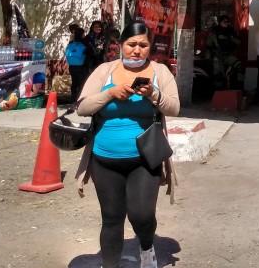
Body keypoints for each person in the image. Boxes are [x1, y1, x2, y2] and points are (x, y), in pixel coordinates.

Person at [75, 21, 180, 268]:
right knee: (111, 218)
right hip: (104, 159)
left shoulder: (160, 71)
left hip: (145, 159)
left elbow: (174, 107)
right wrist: (109, 94)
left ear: (149, 47)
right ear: (120, 45)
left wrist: (153, 94)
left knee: (142, 215)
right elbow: (82, 107)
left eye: (143, 45)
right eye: (131, 44)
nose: (137, 50)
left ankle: (147, 249)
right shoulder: (105, 71)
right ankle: (110, 264)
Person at [207, 15, 241, 89]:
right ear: (220, 22)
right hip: (217, 55)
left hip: (228, 54)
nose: (226, 23)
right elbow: (209, 45)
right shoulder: (215, 31)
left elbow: (238, 41)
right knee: (218, 75)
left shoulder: (231, 31)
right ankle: (218, 91)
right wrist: (213, 52)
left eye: (228, 22)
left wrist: (230, 38)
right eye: (224, 22)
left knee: (239, 66)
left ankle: (237, 87)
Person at [65, 27, 91, 102]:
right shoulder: (85, 42)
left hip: (72, 66)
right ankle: (80, 99)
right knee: (82, 83)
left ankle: (73, 99)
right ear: (82, 34)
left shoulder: (71, 43)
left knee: (74, 82)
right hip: (83, 66)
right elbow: (91, 53)